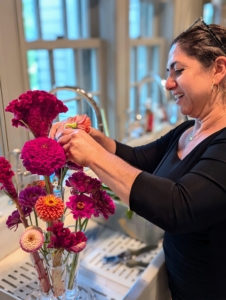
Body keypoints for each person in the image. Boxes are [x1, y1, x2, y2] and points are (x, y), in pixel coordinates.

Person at [50, 17, 226, 300]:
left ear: (218, 69)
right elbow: (139, 158)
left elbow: (177, 207)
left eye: (178, 70)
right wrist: (97, 139)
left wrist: (93, 156)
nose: (168, 84)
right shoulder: (189, 129)